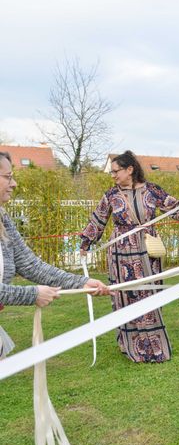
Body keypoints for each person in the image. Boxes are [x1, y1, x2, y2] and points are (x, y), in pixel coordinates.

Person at [80, 151, 179, 363]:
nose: (113, 175)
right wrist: (85, 243)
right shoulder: (110, 195)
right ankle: (129, 344)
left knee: (148, 294)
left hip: (148, 251)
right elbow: (98, 220)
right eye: (112, 172)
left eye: (116, 171)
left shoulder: (152, 190)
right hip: (121, 253)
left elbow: (174, 208)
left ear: (130, 170)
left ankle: (154, 345)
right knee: (125, 296)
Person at [0, 151, 109, 359]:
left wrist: (82, 283)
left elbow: (31, 265)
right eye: (8, 177)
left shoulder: (3, 220)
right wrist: (32, 294)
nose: (14, 184)